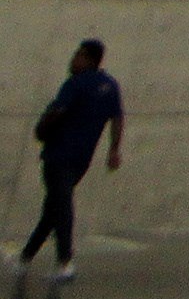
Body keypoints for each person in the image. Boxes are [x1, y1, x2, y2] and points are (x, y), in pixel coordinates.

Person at [19, 39, 122, 283]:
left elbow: (57, 112)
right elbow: (117, 117)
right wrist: (114, 150)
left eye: (77, 56)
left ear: (88, 59)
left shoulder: (75, 84)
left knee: (61, 206)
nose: (72, 60)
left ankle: (64, 262)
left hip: (59, 156)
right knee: (55, 207)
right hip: (81, 160)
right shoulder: (110, 85)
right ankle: (25, 258)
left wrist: (41, 129)